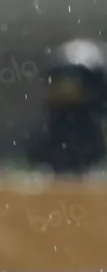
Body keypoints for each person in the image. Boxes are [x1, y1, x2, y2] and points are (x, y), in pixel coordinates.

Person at [24, 38, 107, 175]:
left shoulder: (98, 136)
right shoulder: (44, 139)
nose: (65, 90)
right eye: (60, 82)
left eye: (73, 83)